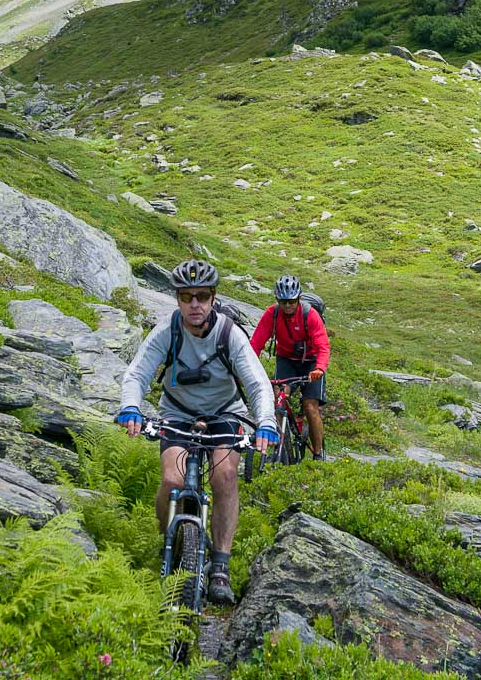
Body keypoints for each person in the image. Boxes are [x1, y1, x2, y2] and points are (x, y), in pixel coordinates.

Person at [117, 258, 277, 605]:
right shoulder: (166, 331)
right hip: (177, 413)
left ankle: (220, 565)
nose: (194, 304)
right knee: (172, 481)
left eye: (202, 296)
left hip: (224, 413)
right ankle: (170, 542)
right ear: (177, 299)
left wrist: (266, 422)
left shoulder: (229, 334)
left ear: (213, 298)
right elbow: (137, 375)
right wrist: (130, 406)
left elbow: (258, 384)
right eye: (186, 296)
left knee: (226, 475)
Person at [250, 274, 329, 460]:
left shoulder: (310, 315)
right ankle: (280, 450)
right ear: (278, 300)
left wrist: (319, 368)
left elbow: (323, 345)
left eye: (291, 301)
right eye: (283, 301)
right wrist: (248, 367)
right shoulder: (272, 314)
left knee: (310, 406)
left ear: (298, 298)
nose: (287, 306)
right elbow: (256, 344)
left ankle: (318, 454)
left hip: (311, 362)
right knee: (279, 398)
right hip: (286, 360)